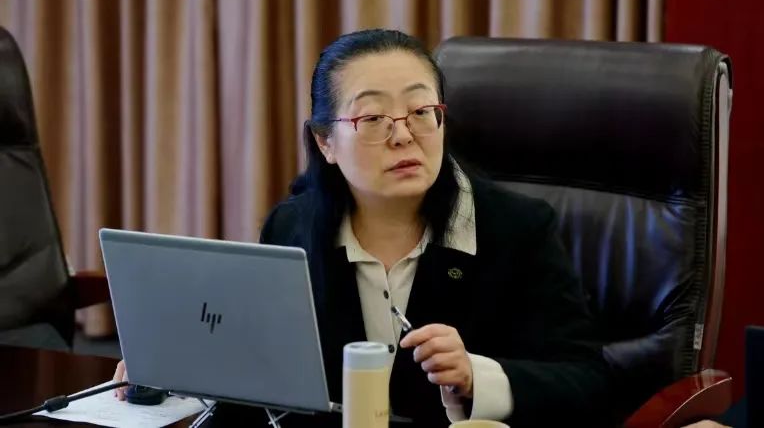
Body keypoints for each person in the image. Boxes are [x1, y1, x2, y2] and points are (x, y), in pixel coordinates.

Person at [114, 29, 615, 426]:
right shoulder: (293, 228)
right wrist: (179, 368)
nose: (403, 135)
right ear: (325, 142)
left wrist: (476, 377)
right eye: (372, 118)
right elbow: (267, 371)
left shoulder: (517, 229)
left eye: (421, 111)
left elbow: (589, 383)